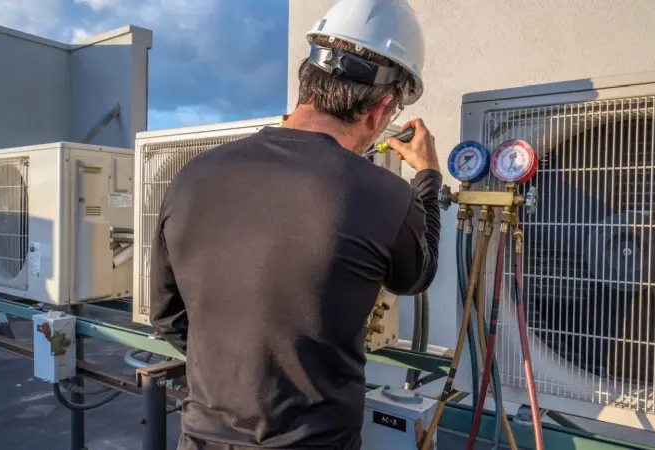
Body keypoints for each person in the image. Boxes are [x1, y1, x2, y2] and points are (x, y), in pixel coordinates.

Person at [149, 1, 441, 448]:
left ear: (308, 79)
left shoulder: (193, 175)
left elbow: (168, 318)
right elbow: (416, 274)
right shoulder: (383, 194)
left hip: (202, 438)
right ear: (381, 110)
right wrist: (427, 178)